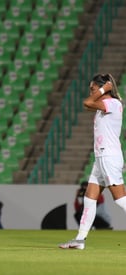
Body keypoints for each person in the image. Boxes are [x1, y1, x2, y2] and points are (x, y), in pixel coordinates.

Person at [59, 73, 126, 250]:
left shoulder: (112, 103)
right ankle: (80, 240)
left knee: (120, 200)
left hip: (108, 156)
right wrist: (102, 90)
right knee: (89, 199)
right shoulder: (106, 105)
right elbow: (91, 103)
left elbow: (87, 102)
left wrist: (105, 89)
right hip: (101, 157)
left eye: (93, 88)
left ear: (104, 87)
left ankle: (80, 240)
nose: (91, 91)